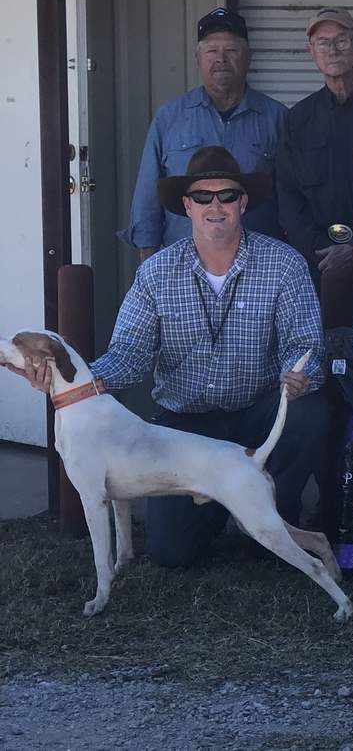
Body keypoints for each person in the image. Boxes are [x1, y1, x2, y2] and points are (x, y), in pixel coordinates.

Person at [93, 146, 328, 567]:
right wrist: (83, 381)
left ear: (244, 202)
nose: (214, 206)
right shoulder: (156, 273)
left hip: (255, 412)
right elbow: (127, 354)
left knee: (309, 412)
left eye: (226, 195)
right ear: (187, 206)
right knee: (171, 553)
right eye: (203, 197)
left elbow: (305, 343)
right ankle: (229, 508)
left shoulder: (285, 264)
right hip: (185, 428)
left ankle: (275, 515)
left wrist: (300, 375)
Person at [121, 7, 287, 258]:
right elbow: (148, 195)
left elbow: (291, 198)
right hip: (183, 262)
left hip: (259, 265)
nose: (221, 59)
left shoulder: (277, 118)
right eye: (211, 51)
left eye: (231, 50)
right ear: (198, 59)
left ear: (248, 57)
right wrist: (149, 260)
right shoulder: (170, 118)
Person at [275, 6, 353, 330]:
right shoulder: (298, 120)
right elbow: (288, 198)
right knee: (321, 361)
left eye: (341, 39)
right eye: (323, 42)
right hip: (317, 266)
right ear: (312, 52)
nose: (333, 49)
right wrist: (322, 253)